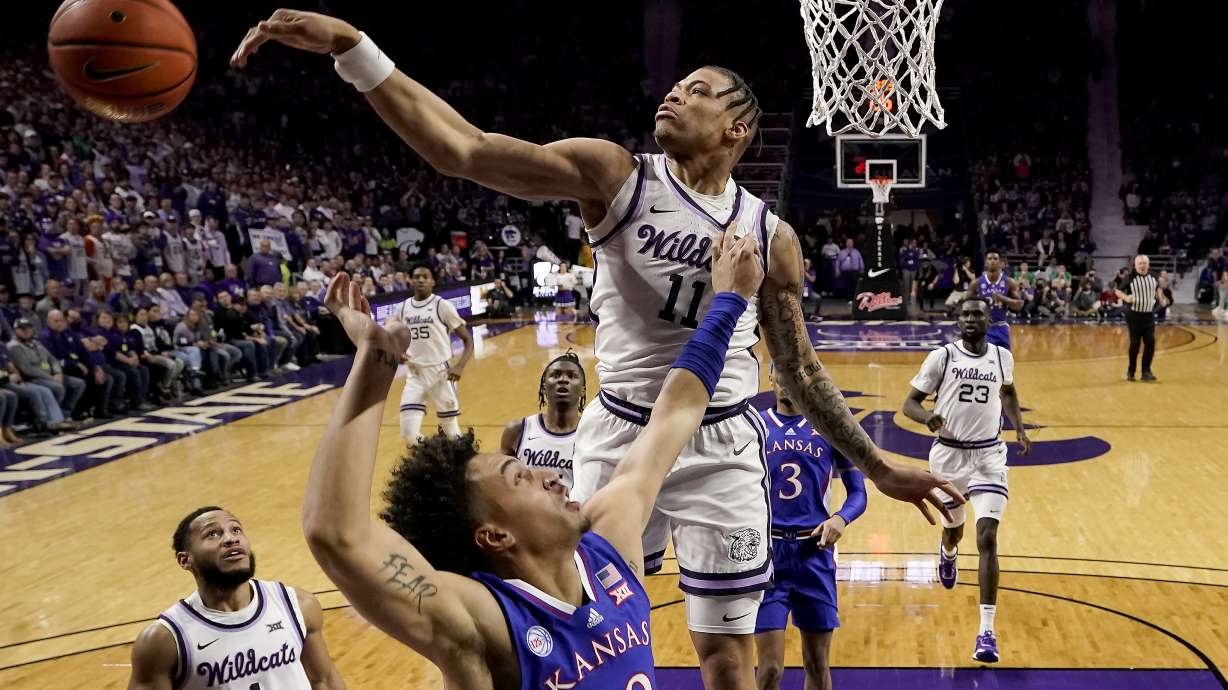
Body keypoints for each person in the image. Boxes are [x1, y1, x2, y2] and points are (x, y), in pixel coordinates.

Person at [233, 17, 959, 688]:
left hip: (723, 438)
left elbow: (799, 369)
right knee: (582, 617)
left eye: (697, 91)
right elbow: (464, 150)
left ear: (736, 128)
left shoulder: (771, 235)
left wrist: (876, 465)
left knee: (732, 663)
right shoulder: (616, 175)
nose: (674, 94)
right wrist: (355, 51)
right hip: (623, 435)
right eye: (676, 86)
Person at [297, 231, 760, 690]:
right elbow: (335, 531)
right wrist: (376, 365)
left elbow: (674, 413)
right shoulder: (485, 625)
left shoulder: (609, 544)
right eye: (519, 476)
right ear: (495, 535)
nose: (548, 476)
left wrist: (730, 301)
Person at [902, 297, 1031, 664]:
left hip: (990, 455)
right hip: (948, 454)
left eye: (977, 313)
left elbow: (1008, 392)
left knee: (988, 536)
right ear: (958, 321)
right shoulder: (942, 357)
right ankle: (948, 553)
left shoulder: (1002, 357)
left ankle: (986, 631)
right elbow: (908, 403)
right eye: (966, 314)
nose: (972, 319)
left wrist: (1019, 428)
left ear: (988, 319)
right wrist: (925, 417)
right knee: (954, 530)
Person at [126, 507, 346, 689]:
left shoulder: (297, 605)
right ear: (185, 560)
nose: (231, 539)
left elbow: (323, 681)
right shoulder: (163, 640)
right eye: (213, 534)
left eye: (236, 530)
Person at [754, 370, 866, 690]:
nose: (788, 382)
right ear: (772, 377)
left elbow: (858, 493)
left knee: (817, 664)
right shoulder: (755, 426)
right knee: (770, 669)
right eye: (782, 374)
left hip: (814, 552)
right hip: (768, 556)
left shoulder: (830, 429)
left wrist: (840, 519)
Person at [395, 265, 474, 442]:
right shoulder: (401, 308)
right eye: (416, 276)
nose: (421, 280)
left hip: (441, 373)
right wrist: (398, 351)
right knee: (408, 433)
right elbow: (395, 338)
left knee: (451, 433)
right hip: (414, 373)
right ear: (410, 280)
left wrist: (459, 366)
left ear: (433, 281)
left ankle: (461, 463)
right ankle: (435, 457)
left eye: (425, 276)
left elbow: (468, 340)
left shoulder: (442, 305)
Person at [499, 351, 585, 489]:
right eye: (555, 375)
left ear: (583, 390)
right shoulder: (518, 430)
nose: (563, 379)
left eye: (572, 376)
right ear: (544, 387)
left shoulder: (592, 433)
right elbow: (502, 483)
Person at [1116, 255, 1165, 381]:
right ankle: (1131, 371)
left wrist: (1161, 298)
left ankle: (1146, 371)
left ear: (1148, 265)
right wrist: (1126, 298)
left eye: (1144, 263)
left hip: (1148, 314)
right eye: (1140, 263)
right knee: (1135, 343)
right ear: (1135, 265)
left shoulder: (1154, 276)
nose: (1142, 266)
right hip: (1134, 315)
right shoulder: (1130, 277)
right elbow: (1118, 291)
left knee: (1150, 342)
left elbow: (1157, 289)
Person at [969, 250, 1023, 350]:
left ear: (1000, 262)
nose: (992, 261)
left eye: (995, 258)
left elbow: (1019, 305)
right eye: (990, 259)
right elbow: (966, 307)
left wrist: (1002, 298)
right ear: (985, 262)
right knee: (987, 362)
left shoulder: (1010, 282)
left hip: (1002, 327)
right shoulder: (976, 283)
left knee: (1005, 362)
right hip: (984, 328)